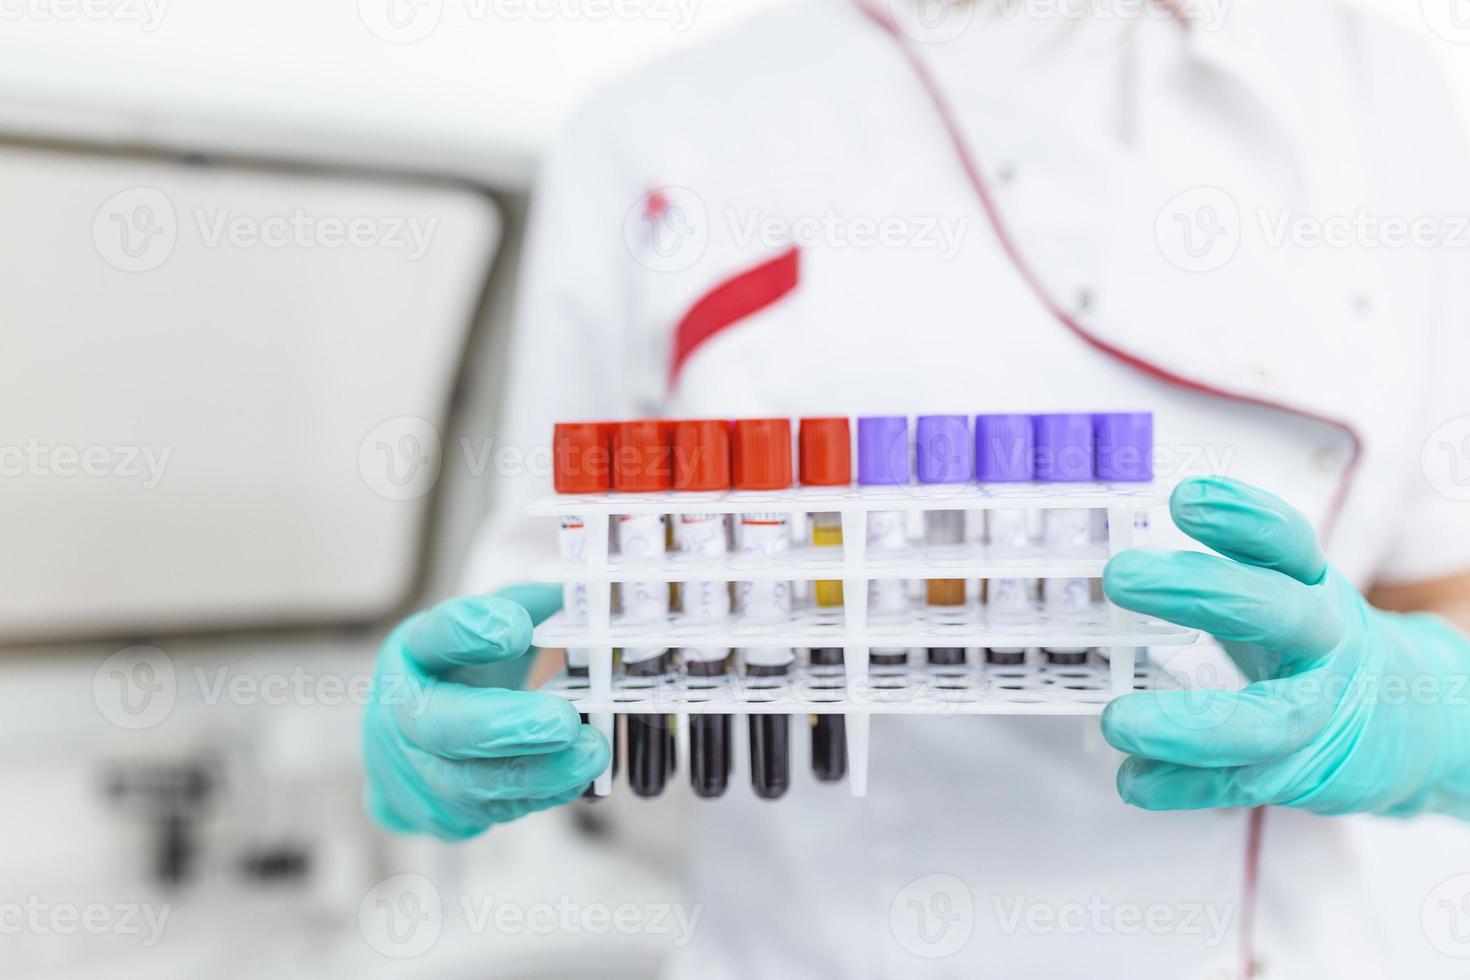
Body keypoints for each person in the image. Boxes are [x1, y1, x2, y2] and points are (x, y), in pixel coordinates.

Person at [361, 1, 1470, 975]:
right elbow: (564, 606)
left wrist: (1418, 710)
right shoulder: (657, 132)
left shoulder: (1384, 93)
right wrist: (476, 715)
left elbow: (1445, 586)